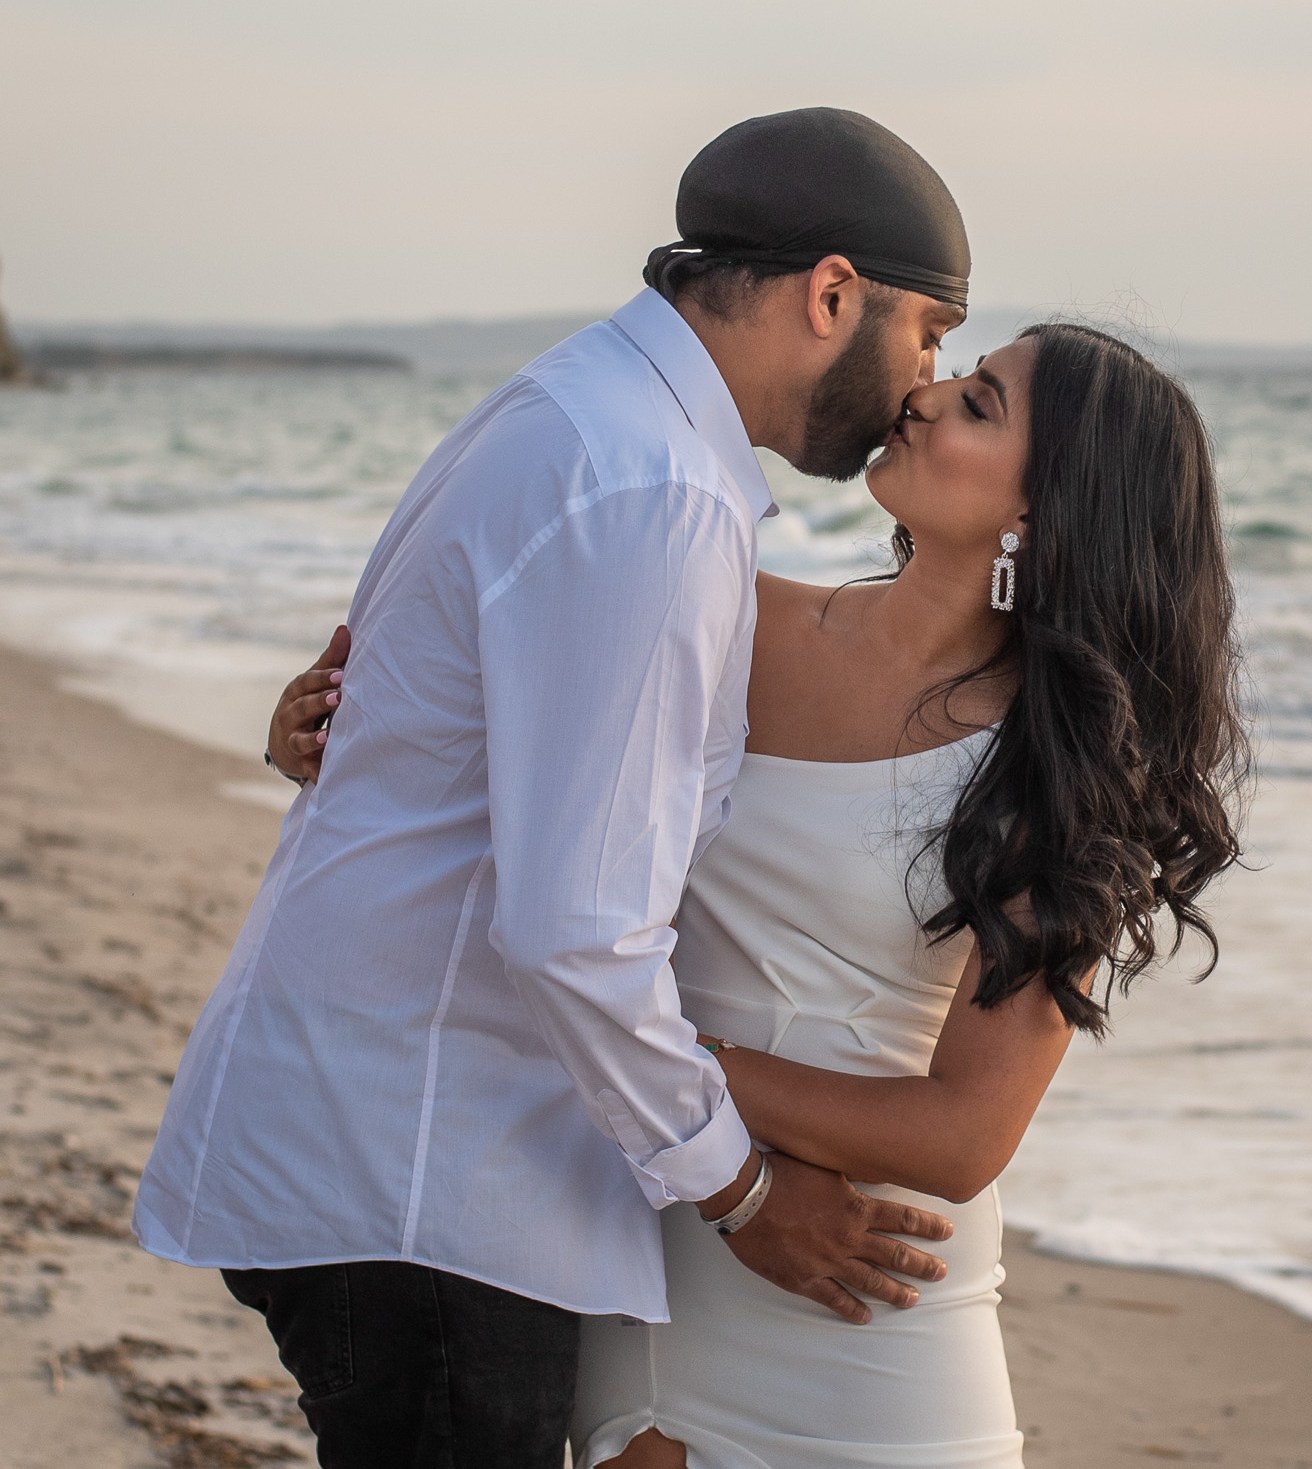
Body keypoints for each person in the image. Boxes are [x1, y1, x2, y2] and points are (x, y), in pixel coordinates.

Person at [133, 107, 976, 1469]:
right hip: (431, 1168)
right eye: (928, 333)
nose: (927, 378)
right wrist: (741, 1189)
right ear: (833, 294)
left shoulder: (578, 407)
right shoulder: (653, 488)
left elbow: (412, 707)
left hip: (393, 1136)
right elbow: (577, 930)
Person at [272, 322, 1250, 1466]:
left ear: (1042, 506)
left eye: (979, 402)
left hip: (864, 1289)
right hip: (644, 1241)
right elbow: (506, 767)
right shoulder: (727, 613)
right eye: (954, 374)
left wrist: (658, 1055)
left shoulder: (1059, 762)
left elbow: (962, 1130)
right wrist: (332, 731)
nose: (925, 396)